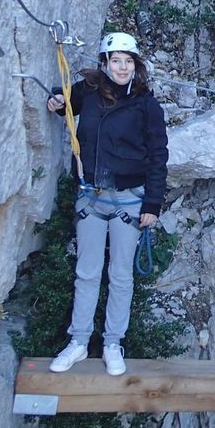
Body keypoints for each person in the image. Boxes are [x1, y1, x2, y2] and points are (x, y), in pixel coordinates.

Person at [46, 32, 168, 376]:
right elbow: (66, 103)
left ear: (136, 66)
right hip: (91, 196)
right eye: (116, 61)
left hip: (130, 200)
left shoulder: (146, 105)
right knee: (86, 273)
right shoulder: (88, 92)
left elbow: (158, 156)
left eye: (128, 62)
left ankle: (113, 343)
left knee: (120, 275)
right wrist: (56, 100)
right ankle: (79, 342)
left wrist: (153, 204)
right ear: (105, 63)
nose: (123, 67)